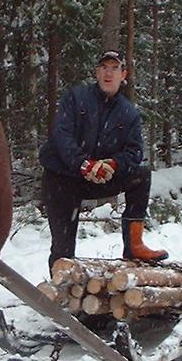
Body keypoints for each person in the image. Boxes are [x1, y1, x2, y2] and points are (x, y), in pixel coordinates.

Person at [38, 50, 168, 273]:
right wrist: (82, 163)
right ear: (96, 73)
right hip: (63, 178)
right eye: (104, 68)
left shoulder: (129, 113)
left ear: (123, 74)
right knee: (63, 250)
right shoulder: (75, 97)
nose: (109, 73)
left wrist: (113, 165)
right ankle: (61, 286)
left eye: (114, 68)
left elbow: (134, 152)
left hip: (100, 177)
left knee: (141, 174)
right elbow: (61, 136)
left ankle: (134, 245)